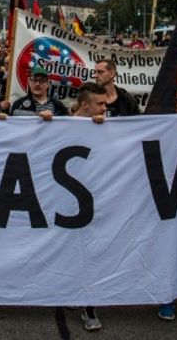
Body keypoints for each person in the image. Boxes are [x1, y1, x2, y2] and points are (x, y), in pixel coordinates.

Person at [69, 82, 107, 331]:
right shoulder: (60, 125)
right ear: (85, 105)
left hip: (94, 204)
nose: (105, 109)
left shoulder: (107, 127)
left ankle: (89, 306)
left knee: (90, 253)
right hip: (60, 205)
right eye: (100, 104)